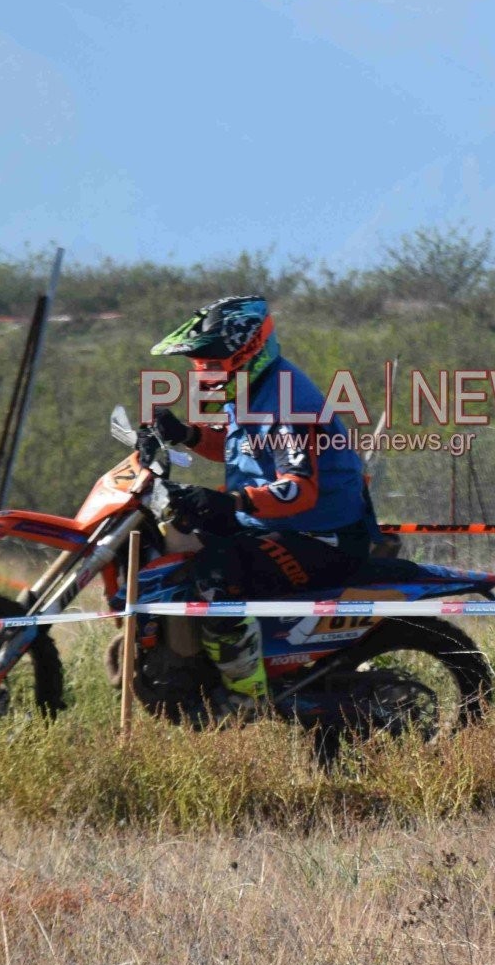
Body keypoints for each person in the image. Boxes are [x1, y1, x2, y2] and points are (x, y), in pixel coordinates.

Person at [147, 294, 370, 702]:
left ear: (246, 351)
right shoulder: (254, 389)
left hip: (322, 537)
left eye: (210, 361)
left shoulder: (287, 404)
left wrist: (233, 503)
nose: (202, 371)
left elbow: (299, 487)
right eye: (198, 362)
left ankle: (247, 698)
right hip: (275, 524)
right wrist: (188, 435)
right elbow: (240, 451)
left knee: (216, 577)